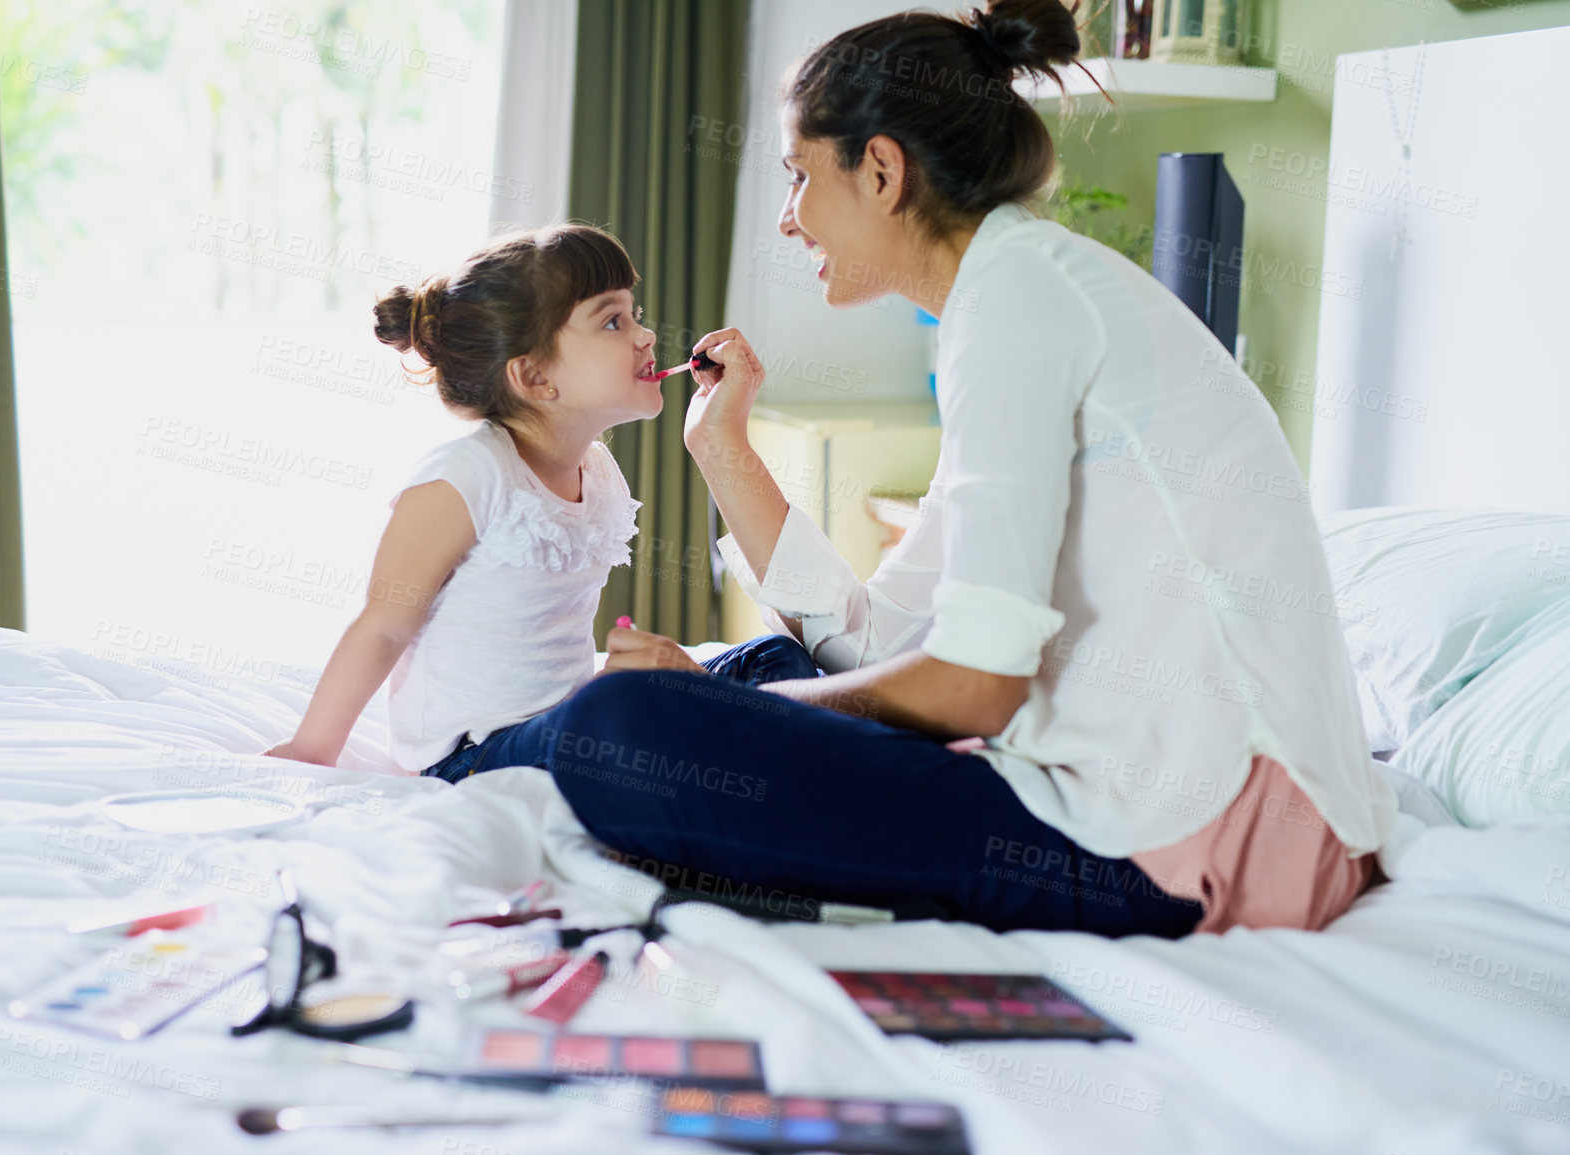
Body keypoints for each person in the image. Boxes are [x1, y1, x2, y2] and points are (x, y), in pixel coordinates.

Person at [472, 0, 1397, 937]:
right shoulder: (1018, 292)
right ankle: (547, 746)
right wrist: (723, 449)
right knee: (736, 681)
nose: (789, 220)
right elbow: (874, 642)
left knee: (626, 728)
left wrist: (744, 707)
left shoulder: (1020, 301)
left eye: (797, 178)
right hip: (1169, 815)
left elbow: (969, 687)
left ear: (879, 170)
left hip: (1204, 840)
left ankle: (482, 761)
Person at [263, 225, 817, 779]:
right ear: (533, 376)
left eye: (634, 312)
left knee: (781, 660)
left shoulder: (598, 470)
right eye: (612, 321)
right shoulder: (463, 477)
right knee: (625, 704)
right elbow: (383, 625)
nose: (646, 336)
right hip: (473, 758)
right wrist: (311, 751)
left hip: (572, 724)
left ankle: (749, 770)